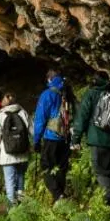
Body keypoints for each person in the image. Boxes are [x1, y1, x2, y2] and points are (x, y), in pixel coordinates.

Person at [72, 72, 110, 207]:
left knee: (101, 171)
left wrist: (76, 139)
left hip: (97, 140)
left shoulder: (91, 94)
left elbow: (82, 117)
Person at [33, 69, 76, 201]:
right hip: (66, 137)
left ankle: (58, 195)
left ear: (50, 79)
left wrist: (36, 140)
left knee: (46, 167)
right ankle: (61, 197)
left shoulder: (47, 94)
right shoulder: (67, 93)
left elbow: (40, 119)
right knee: (62, 167)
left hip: (51, 136)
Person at [0, 91, 33, 206]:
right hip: (22, 153)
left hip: (7, 154)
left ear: (5, 101)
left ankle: (12, 210)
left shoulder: (1, 115)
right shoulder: (23, 113)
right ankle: (22, 207)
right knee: (20, 179)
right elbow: (33, 130)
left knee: (9, 181)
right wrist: (36, 144)